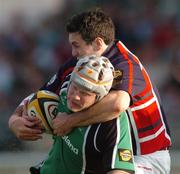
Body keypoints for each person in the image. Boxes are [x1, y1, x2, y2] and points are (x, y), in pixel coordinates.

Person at [9, 8, 171, 173]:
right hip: (98, 153)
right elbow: (43, 94)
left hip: (144, 157)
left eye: (76, 45)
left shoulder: (125, 64)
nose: (73, 52)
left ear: (98, 43)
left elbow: (117, 103)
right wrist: (15, 120)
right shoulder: (80, 63)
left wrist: (70, 121)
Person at [30, 55, 135, 174]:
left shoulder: (113, 125)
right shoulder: (65, 87)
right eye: (75, 87)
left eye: (85, 93)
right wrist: (16, 119)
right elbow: (35, 98)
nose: (75, 96)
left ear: (100, 97)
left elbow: (120, 171)